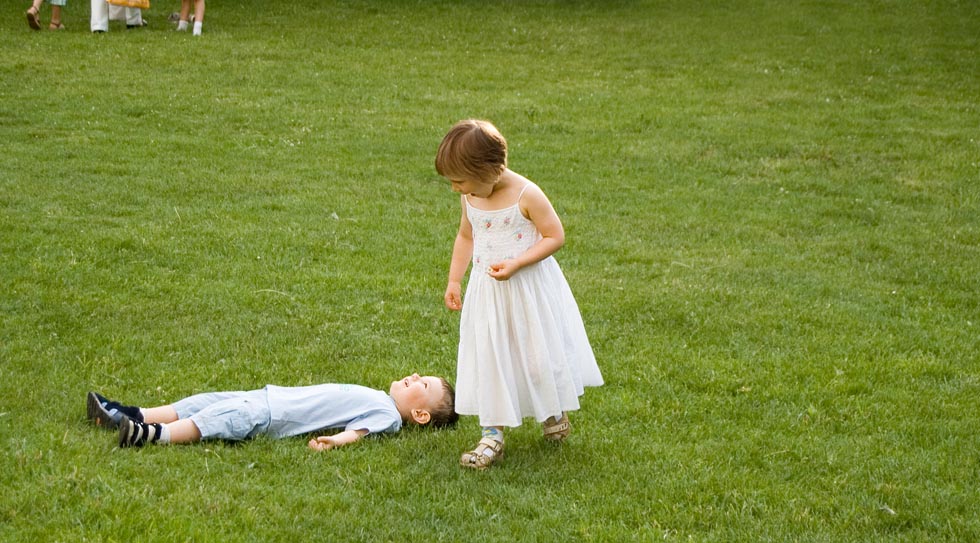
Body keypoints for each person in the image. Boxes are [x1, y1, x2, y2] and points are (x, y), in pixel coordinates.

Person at [435, 119, 603, 470]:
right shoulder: (471, 197)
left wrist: (517, 263)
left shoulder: (527, 195)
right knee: (489, 357)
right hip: (488, 295)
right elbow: (466, 237)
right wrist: (454, 280)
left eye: (460, 180)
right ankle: (491, 435)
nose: (455, 188)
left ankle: (552, 411)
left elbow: (554, 236)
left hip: (526, 292)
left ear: (491, 170)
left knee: (535, 357)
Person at [87, 373, 458, 450]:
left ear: (420, 416)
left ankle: (152, 434)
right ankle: (132, 412)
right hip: (268, 397)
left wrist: (334, 442)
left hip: (271, 416)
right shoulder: (380, 397)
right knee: (205, 402)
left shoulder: (390, 417)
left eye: (422, 385)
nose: (414, 376)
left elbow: (359, 432)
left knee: (215, 420)